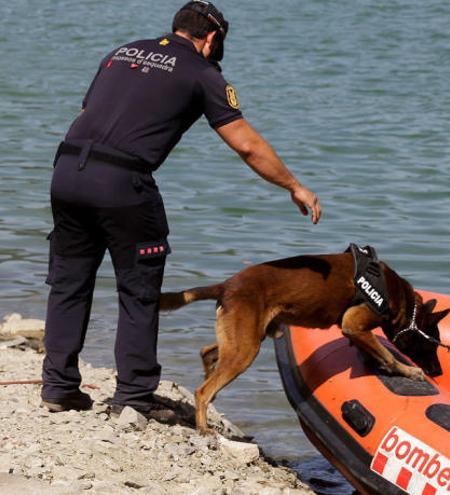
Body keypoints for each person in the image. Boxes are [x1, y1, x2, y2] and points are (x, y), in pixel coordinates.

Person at [41, 1, 321, 418]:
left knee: (69, 283)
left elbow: (85, 113)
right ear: (211, 40)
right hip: (123, 181)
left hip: (66, 171)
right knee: (138, 290)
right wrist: (294, 186)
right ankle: (133, 397)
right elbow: (246, 144)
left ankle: (59, 388)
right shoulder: (202, 73)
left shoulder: (122, 52)